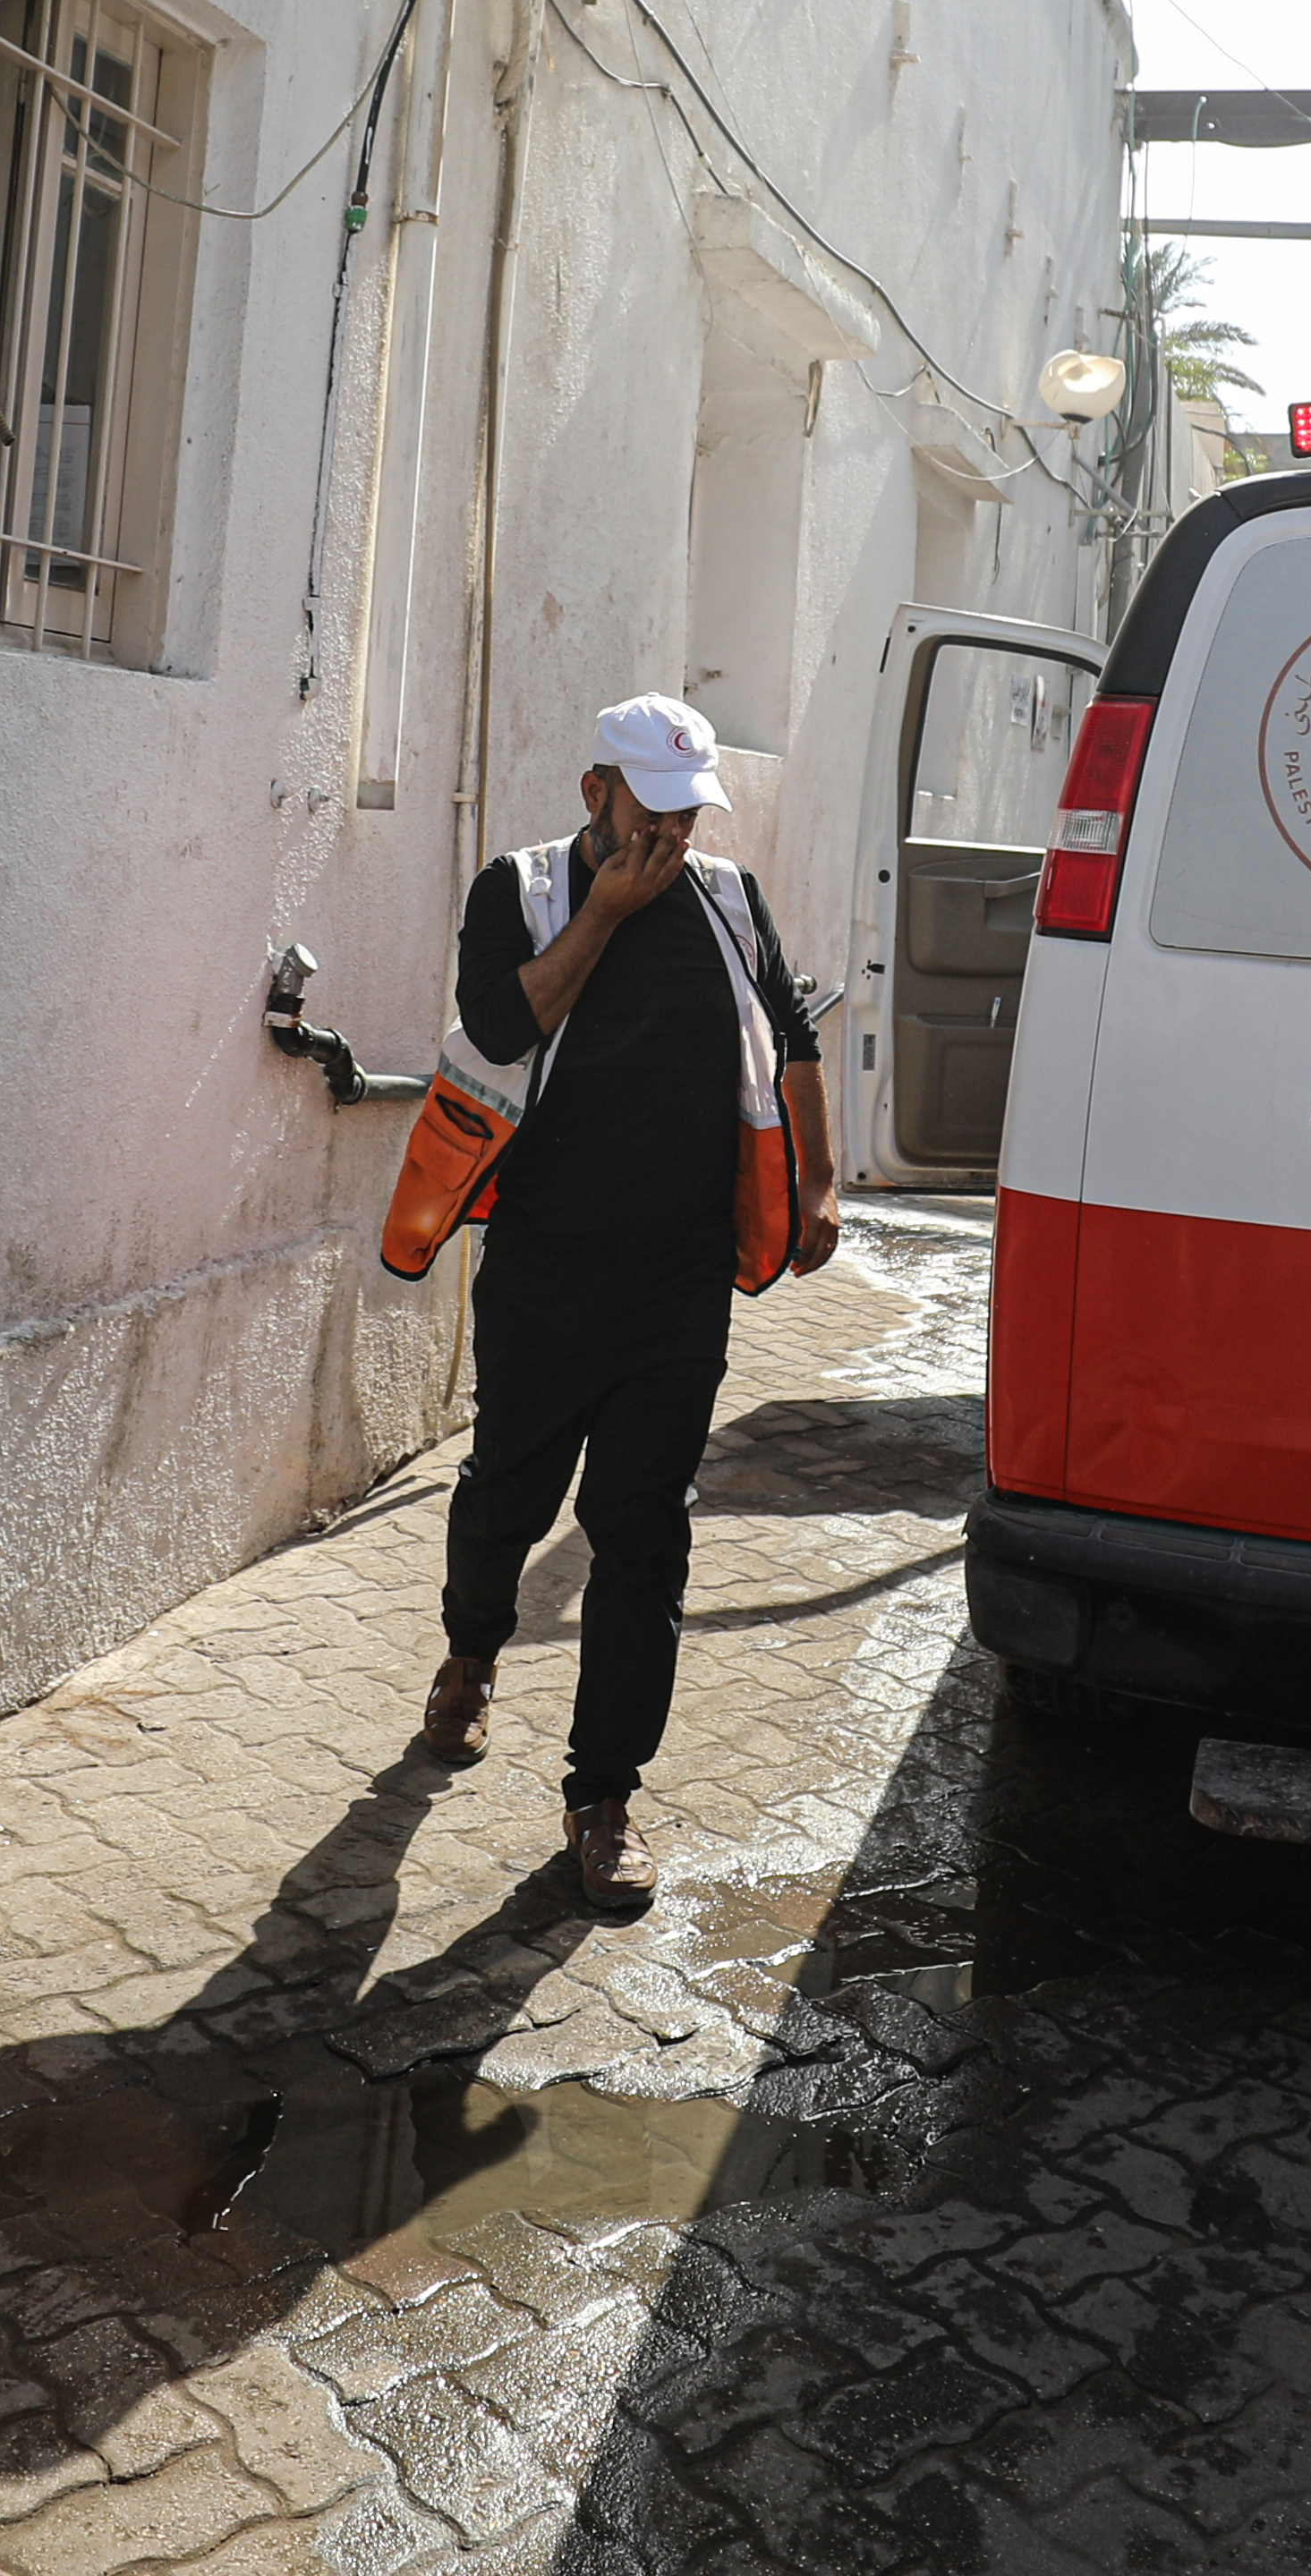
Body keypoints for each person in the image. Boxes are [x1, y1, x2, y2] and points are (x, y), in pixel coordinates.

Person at [414, 696, 839, 1915]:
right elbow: (504, 1023)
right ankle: (472, 1652)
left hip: (678, 1279)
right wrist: (607, 913)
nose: (672, 835)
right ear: (596, 789)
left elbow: (792, 1037)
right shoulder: (525, 892)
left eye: (687, 812)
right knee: (508, 1488)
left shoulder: (728, 898)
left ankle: (603, 1800)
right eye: (650, 810)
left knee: (643, 1530)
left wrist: (816, 1178)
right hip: (546, 1267)